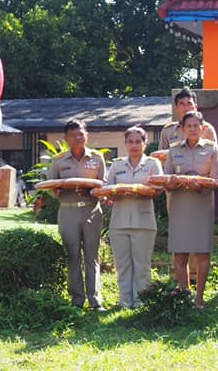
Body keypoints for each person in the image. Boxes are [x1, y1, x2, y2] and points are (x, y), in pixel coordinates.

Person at [164, 110, 218, 309]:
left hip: (202, 204)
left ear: (203, 128)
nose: (192, 129)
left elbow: (215, 178)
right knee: (180, 253)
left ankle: (199, 298)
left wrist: (201, 184)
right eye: (188, 126)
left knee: (202, 253)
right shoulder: (173, 151)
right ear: (182, 129)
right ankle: (185, 296)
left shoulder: (212, 148)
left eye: (196, 126)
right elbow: (167, 179)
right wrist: (176, 183)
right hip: (179, 205)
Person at [46, 119, 107, 310]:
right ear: (66, 138)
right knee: (72, 256)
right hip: (68, 210)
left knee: (92, 256)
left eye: (81, 134)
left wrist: (95, 191)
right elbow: (49, 185)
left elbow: (103, 183)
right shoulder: (59, 160)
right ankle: (77, 300)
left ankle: (95, 301)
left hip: (92, 211)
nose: (78, 138)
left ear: (86, 136)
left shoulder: (97, 158)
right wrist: (59, 191)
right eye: (73, 135)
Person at [105, 126, 162, 309]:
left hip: (143, 222)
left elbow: (158, 189)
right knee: (122, 265)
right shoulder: (117, 165)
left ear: (145, 144)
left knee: (142, 265)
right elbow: (108, 189)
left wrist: (142, 191)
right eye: (130, 141)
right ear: (125, 143)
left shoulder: (153, 164)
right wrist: (114, 194)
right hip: (119, 222)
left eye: (138, 141)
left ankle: (141, 303)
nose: (134, 145)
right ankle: (124, 302)